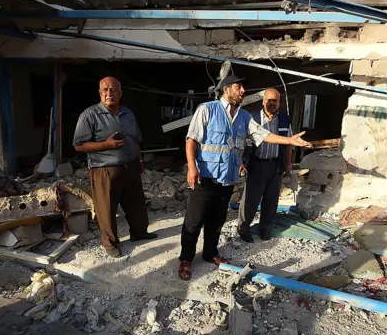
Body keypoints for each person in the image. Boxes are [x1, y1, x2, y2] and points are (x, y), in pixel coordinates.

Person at [179, 75, 312, 281]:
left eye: (243, 88)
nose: (243, 91)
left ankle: (210, 253)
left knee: (217, 221)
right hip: (204, 177)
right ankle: (186, 259)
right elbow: (191, 139)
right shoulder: (207, 109)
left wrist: (289, 140)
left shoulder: (243, 117)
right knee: (194, 221)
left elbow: (262, 135)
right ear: (226, 90)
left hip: (227, 179)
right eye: (238, 87)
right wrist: (191, 167)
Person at [73, 77, 156, 258]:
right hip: (105, 170)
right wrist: (106, 145)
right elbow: (79, 145)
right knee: (106, 208)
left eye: (113, 90)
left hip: (131, 167)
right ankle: (110, 244)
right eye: (105, 90)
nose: (109, 93)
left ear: (120, 93)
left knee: (136, 203)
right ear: (100, 92)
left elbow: (135, 140)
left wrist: (139, 161)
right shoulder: (90, 115)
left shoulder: (128, 114)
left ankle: (139, 232)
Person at [238, 89, 292, 242]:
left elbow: (288, 144)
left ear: (279, 103)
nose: (272, 103)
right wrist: (240, 161)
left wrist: (288, 164)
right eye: (269, 100)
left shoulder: (284, 120)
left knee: (271, 200)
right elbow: (243, 141)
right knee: (250, 200)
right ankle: (244, 229)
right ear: (263, 101)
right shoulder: (252, 118)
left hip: (275, 165)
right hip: (257, 165)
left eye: (275, 100)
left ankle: (265, 228)